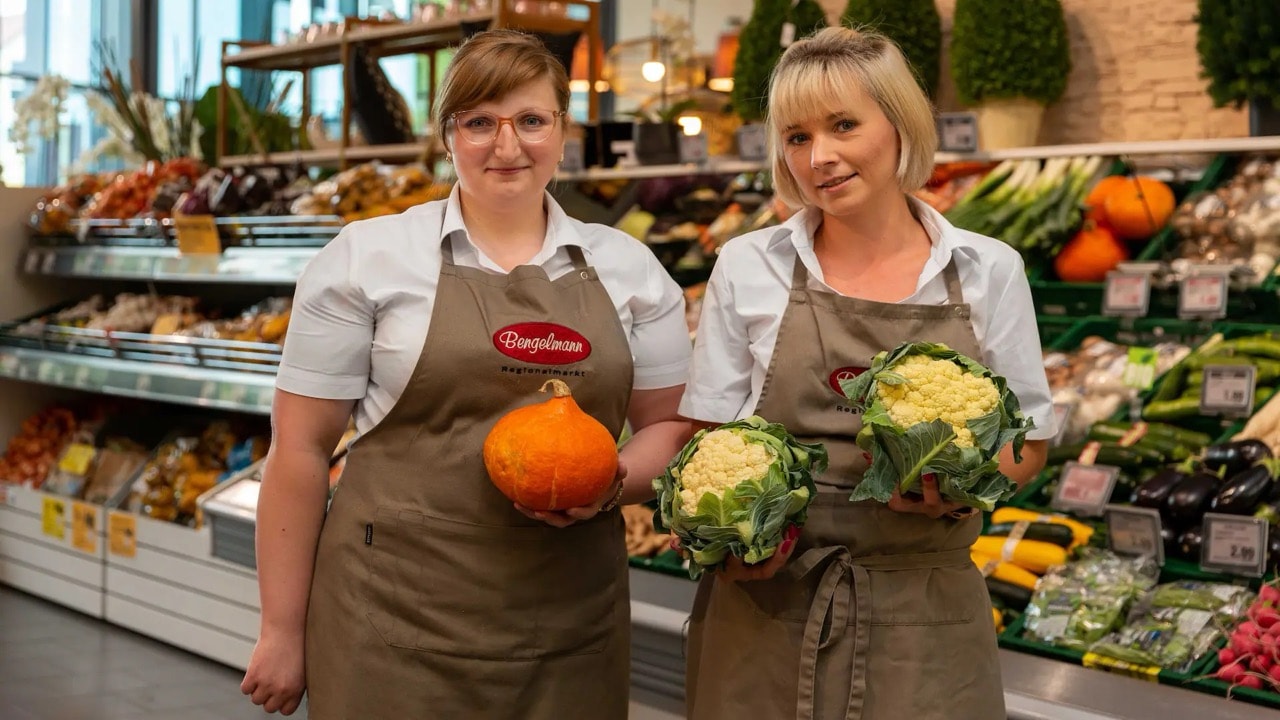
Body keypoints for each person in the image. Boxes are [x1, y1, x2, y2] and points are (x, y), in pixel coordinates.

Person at [239, 29, 693, 719]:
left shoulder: (629, 269)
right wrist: (280, 628)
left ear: (562, 131)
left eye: (531, 121)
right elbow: (299, 450)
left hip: (568, 628)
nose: (507, 147)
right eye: (479, 122)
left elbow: (670, 426)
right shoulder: (367, 258)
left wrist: (612, 483)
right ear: (446, 133)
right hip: (389, 623)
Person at [678, 27, 1054, 720]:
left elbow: (1028, 441)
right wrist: (723, 537)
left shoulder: (985, 268)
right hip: (764, 607)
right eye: (795, 137)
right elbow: (709, 440)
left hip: (925, 610)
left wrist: (955, 489)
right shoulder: (747, 265)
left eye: (844, 124)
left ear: (899, 124)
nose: (819, 157)